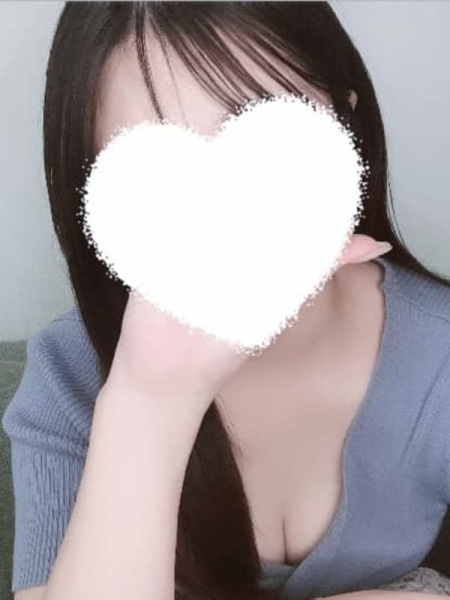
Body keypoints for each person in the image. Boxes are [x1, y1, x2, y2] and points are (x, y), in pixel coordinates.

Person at [3, 2, 450, 600]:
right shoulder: (69, 374)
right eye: (155, 171)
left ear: (347, 124)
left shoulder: (438, 352)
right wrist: (149, 401)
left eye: (267, 133)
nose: (227, 210)